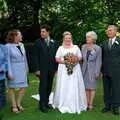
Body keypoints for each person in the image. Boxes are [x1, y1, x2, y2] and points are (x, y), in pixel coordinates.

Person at [52, 31, 87, 114]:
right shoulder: (60, 48)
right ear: (64, 39)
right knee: (64, 85)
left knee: (73, 84)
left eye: (69, 38)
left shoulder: (75, 47)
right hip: (63, 70)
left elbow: (80, 57)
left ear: (71, 39)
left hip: (75, 69)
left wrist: (74, 60)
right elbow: (57, 59)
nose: (68, 39)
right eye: (66, 38)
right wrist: (67, 62)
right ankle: (63, 103)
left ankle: (76, 103)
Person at [33, 25, 58, 113]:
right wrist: (37, 69)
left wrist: (56, 69)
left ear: (48, 32)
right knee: (43, 87)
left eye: (43, 31)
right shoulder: (38, 42)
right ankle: (42, 105)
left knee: (49, 86)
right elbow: (35, 57)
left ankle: (47, 102)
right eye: (41, 32)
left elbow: (56, 56)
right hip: (42, 69)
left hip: (51, 69)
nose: (41, 33)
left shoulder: (54, 42)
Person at [6, 30, 29, 113]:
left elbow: (25, 58)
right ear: (15, 36)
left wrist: (27, 68)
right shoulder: (8, 46)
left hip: (22, 69)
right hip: (13, 69)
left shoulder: (21, 44)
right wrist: (9, 72)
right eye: (20, 35)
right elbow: (7, 60)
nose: (22, 36)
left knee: (24, 86)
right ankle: (14, 105)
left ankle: (18, 104)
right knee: (11, 87)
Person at [101, 25, 120, 115]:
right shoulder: (104, 42)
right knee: (106, 89)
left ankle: (116, 107)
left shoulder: (119, 41)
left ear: (115, 31)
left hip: (116, 70)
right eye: (107, 30)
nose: (108, 32)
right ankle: (107, 106)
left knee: (116, 89)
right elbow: (102, 56)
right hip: (105, 70)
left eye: (110, 30)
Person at [81, 31, 102, 110]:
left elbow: (99, 61)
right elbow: (81, 60)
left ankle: (91, 104)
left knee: (92, 88)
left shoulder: (98, 48)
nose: (87, 38)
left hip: (93, 70)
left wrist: (97, 72)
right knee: (86, 87)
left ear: (93, 38)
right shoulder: (83, 47)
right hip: (84, 70)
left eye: (89, 37)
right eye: (87, 37)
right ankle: (86, 103)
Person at [0, 43, 7, 120]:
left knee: (2, 94)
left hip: (1, 76)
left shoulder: (3, 47)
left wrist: (2, 68)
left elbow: (6, 61)